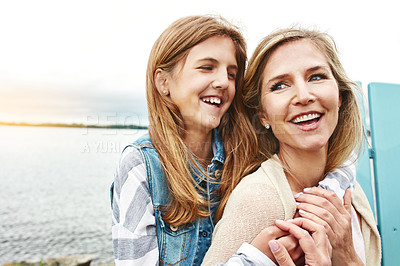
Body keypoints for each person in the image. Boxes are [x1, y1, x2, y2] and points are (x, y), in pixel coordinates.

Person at [202, 28, 381, 265]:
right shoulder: (258, 200)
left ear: (339, 95)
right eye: (279, 85)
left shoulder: (346, 186)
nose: (303, 96)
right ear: (263, 115)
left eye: (316, 77)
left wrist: (347, 257)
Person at [110, 15, 260, 265]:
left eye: (232, 74)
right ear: (164, 82)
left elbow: (330, 156)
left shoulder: (248, 154)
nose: (223, 82)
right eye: (207, 67)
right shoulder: (141, 166)